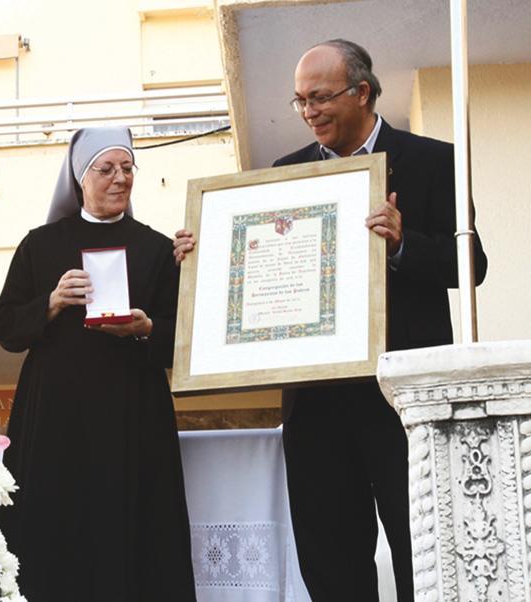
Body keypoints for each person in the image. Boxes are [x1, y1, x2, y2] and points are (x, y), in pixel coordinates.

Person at [174, 39, 487, 601]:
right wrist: (209, 253)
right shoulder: (283, 173)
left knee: (426, 550)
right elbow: (261, 274)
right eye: (300, 102)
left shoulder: (434, 160)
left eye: (320, 97)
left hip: (402, 398)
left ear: (362, 91)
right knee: (330, 556)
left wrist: (401, 243)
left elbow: (472, 265)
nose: (309, 111)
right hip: (316, 402)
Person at [0, 127, 196, 602]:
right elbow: (3, 325)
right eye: (106, 169)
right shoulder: (39, 245)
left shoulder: (157, 248)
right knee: (53, 537)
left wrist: (146, 328)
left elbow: (181, 337)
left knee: (136, 535)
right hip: (56, 422)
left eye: (127, 168)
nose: (120, 178)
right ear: (81, 177)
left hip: (133, 417)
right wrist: (51, 302)